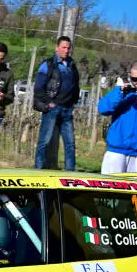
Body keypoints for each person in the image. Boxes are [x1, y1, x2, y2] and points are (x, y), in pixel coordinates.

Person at [33, 36, 80, 171]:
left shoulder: (72, 65)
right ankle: (39, 169)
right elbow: (38, 88)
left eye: (68, 48)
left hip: (67, 109)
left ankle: (71, 172)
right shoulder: (48, 65)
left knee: (70, 143)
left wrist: (74, 101)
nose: (66, 50)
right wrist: (49, 103)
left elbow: (75, 85)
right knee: (44, 141)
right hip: (53, 108)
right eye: (63, 47)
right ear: (57, 48)